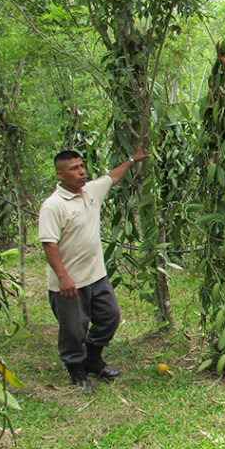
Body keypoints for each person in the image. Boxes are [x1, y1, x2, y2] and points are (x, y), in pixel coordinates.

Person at [38, 145, 149, 394]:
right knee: (73, 330)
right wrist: (63, 277)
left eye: (81, 166)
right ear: (60, 175)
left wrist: (132, 158)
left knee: (110, 317)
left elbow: (113, 176)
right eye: (73, 169)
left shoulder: (90, 192)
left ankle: (93, 358)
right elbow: (49, 244)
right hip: (69, 283)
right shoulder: (53, 206)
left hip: (96, 277)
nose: (81, 172)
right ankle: (77, 372)